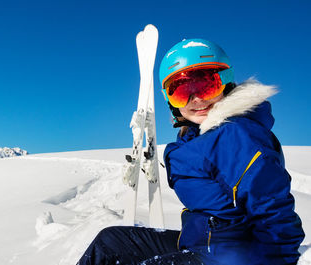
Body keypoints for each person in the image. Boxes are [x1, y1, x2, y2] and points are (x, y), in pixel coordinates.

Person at [77, 38, 305, 265]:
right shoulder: (201, 137)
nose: (195, 99)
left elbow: (274, 214)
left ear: (226, 83)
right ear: (170, 101)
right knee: (110, 242)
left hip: (232, 256)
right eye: (181, 91)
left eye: (207, 85)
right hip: (205, 244)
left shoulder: (236, 136)